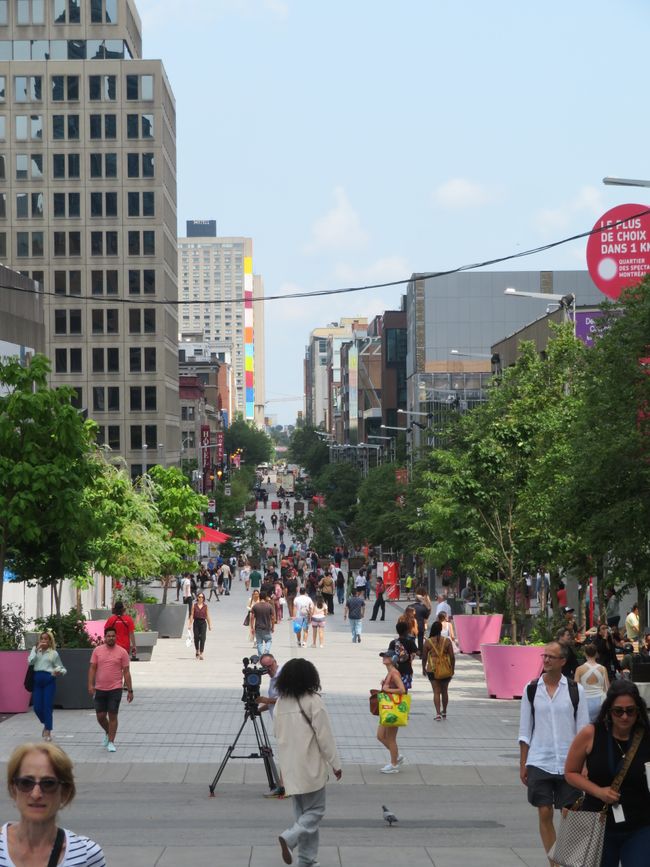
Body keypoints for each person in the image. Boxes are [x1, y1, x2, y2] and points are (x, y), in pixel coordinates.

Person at [564, 680, 650, 867]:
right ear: (609, 711)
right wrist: (598, 791)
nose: (625, 717)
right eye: (618, 711)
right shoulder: (591, 733)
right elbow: (570, 772)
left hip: (641, 824)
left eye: (631, 711)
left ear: (639, 710)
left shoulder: (646, 736)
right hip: (597, 823)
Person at [518, 640, 589, 864]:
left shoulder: (576, 691)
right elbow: (524, 730)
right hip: (539, 759)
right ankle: (555, 863)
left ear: (563, 661)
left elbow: (584, 729)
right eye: (544, 656)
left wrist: (585, 765)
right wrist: (523, 763)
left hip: (571, 762)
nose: (546, 660)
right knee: (544, 812)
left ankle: (565, 857)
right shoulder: (531, 689)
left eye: (551, 657)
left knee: (570, 815)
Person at [274, 659, 342, 866]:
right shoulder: (313, 701)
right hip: (310, 765)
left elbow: (277, 733)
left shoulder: (281, 702)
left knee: (304, 817)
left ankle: (307, 860)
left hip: (290, 766)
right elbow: (325, 736)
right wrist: (335, 763)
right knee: (315, 812)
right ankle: (290, 837)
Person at [1, 742, 105, 866]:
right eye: (26, 783)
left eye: (49, 784)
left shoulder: (87, 855)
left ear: (65, 791)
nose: (36, 794)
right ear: (13, 789)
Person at [87, 625, 133, 753]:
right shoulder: (97, 651)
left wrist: (130, 690)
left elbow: (126, 672)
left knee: (113, 715)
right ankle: (108, 731)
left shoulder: (122, 652)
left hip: (115, 688)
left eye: (113, 636)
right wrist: (90, 684)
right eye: (108, 636)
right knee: (100, 716)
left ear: (116, 637)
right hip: (100, 688)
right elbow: (92, 668)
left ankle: (111, 741)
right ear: (104, 637)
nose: (111, 638)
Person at [28, 632, 66, 743]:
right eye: (42, 638)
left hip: (49, 680)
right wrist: (36, 650)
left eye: (46, 639)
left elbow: (62, 668)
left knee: (47, 706)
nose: (44, 641)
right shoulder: (35, 650)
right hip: (37, 680)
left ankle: (48, 730)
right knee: (37, 708)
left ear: (50, 641)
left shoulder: (53, 653)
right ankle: (46, 724)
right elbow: (30, 662)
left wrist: (58, 671)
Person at [375, 650, 406, 774]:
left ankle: (394, 764)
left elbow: (402, 690)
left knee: (391, 738)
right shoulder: (390, 673)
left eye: (386, 656)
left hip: (393, 709)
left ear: (393, 659)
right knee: (380, 736)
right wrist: (385, 685)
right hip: (387, 709)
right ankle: (396, 756)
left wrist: (388, 689)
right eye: (383, 656)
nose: (384, 658)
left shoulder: (394, 673)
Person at [422, 620, 455, 721]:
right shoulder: (447, 641)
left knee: (436, 692)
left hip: (432, 669)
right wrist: (452, 668)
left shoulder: (428, 642)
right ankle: (444, 711)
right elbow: (452, 656)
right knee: (444, 691)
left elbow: (424, 657)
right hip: (445, 668)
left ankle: (437, 714)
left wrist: (423, 668)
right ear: (441, 629)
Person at [574, 642, 609, 722]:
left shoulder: (579, 669)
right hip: (600, 701)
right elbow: (607, 687)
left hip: (584, 701)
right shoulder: (603, 669)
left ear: (584, 653)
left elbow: (576, 688)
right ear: (596, 654)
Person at [388, 621, 417, 691]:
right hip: (407, 670)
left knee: (396, 690)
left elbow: (389, 656)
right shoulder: (410, 642)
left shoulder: (393, 643)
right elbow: (416, 652)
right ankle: (403, 702)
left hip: (395, 670)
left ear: (397, 631)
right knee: (404, 690)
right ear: (407, 631)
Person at [251, 589, 276, 657]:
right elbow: (273, 618)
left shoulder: (255, 606)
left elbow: (252, 617)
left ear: (259, 597)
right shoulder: (269, 606)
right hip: (267, 627)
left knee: (259, 643)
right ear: (265, 597)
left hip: (258, 627)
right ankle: (266, 651)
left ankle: (260, 656)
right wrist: (273, 627)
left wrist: (252, 627)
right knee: (269, 640)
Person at [188, 592, 212, 660]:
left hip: (203, 623)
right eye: (199, 597)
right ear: (197, 598)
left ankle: (201, 653)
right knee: (196, 637)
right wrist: (189, 624)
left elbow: (207, 616)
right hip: (196, 622)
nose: (200, 598)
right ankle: (197, 650)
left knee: (202, 638)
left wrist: (210, 625)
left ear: (203, 598)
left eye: (202, 597)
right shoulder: (194, 606)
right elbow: (192, 615)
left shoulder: (205, 606)